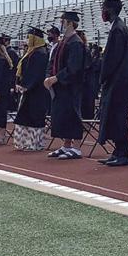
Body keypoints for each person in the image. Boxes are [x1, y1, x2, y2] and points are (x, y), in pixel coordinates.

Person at [98, 0, 128, 166]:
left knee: (118, 117)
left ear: (111, 10)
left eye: (104, 8)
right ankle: (118, 151)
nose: (103, 11)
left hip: (119, 81)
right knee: (115, 117)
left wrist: (103, 77)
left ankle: (124, 153)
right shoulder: (118, 27)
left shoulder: (118, 30)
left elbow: (112, 59)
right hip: (121, 80)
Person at [44, 11, 87, 160]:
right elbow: (52, 62)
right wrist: (49, 77)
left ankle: (77, 147)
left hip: (71, 86)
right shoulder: (63, 41)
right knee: (62, 115)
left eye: (62, 22)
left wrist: (56, 78)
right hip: (60, 86)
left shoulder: (76, 42)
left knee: (72, 114)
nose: (60, 25)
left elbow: (74, 67)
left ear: (69, 23)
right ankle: (66, 144)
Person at [12, 27, 51, 151]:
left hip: (36, 90)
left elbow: (36, 74)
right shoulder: (31, 52)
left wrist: (26, 86)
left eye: (29, 37)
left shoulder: (41, 54)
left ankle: (34, 143)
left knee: (34, 117)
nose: (27, 40)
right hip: (29, 90)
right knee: (26, 116)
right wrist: (20, 83)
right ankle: (25, 142)